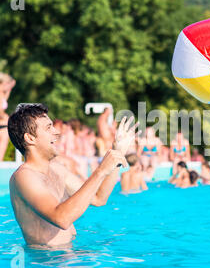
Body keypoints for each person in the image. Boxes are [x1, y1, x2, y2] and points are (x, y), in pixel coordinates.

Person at [7, 103, 138, 247]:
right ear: (30, 138)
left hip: (69, 257)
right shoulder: (24, 177)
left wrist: (117, 153)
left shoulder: (57, 170)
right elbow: (61, 219)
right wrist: (100, 171)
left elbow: (99, 198)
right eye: (48, 127)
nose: (56, 132)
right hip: (47, 263)